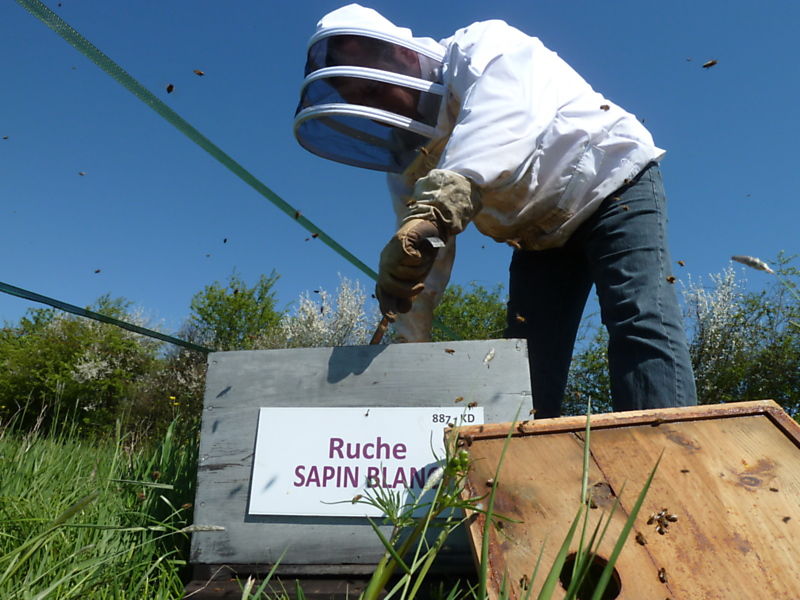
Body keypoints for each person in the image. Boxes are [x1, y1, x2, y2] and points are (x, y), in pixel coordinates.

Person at [293, 4, 697, 418]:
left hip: (611, 180)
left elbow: (504, 117)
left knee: (638, 317)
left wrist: (439, 204)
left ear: (402, 56)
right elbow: (422, 246)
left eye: (374, 91)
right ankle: (526, 458)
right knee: (525, 364)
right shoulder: (411, 157)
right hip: (537, 238)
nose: (380, 113)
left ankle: (669, 448)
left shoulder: (482, 45)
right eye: (360, 101)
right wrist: (406, 331)